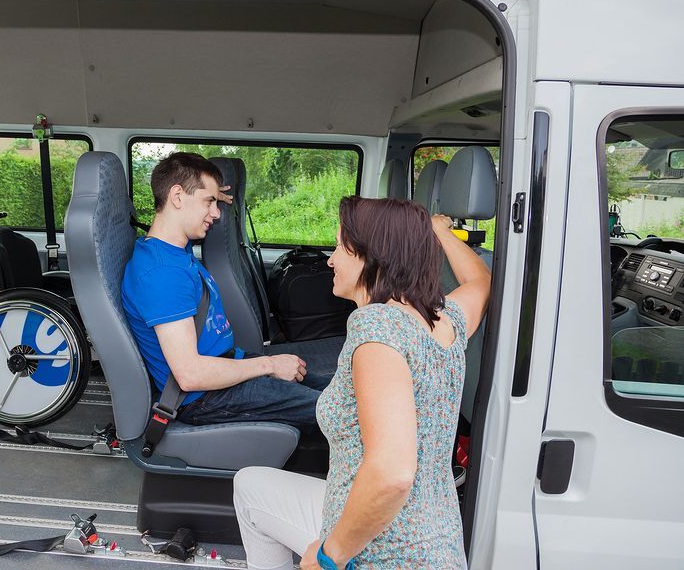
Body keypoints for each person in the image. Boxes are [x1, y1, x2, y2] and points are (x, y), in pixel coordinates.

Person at [233, 196, 491, 569]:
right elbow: (480, 279)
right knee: (251, 486)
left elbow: (392, 473)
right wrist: (440, 233)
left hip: (382, 552)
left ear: (373, 255)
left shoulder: (375, 328)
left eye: (340, 246)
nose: (330, 259)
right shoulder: (444, 318)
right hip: (438, 543)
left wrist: (328, 556)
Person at [121, 152, 334, 432]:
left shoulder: (172, 248)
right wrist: (268, 365)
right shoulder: (162, 274)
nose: (216, 212)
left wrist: (207, 195)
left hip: (224, 368)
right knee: (336, 413)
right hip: (203, 397)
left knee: (335, 391)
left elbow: (177, 218)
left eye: (215, 202)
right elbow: (190, 375)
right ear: (177, 197)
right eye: (208, 202)